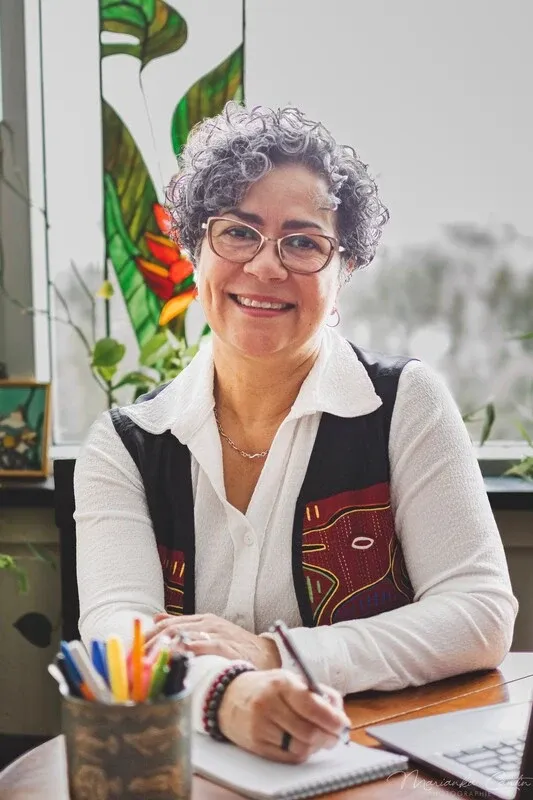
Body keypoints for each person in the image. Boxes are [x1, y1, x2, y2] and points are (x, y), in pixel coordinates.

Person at [75, 102, 517, 763]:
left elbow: (478, 612)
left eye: (304, 242)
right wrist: (226, 695)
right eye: (238, 233)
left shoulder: (404, 402)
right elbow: (117, 634)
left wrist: (276, 655)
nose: (266, 267)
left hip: (367, 759)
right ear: (194, 250)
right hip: (191, 767)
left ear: (345, 270)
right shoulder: (124, 445)